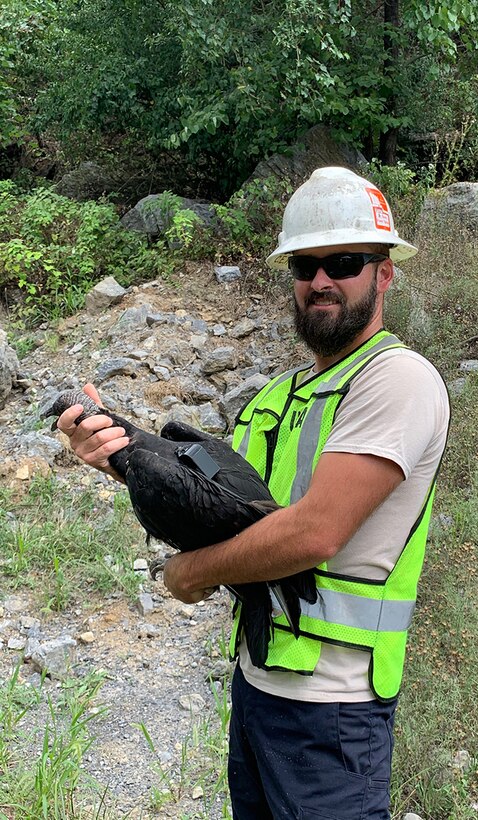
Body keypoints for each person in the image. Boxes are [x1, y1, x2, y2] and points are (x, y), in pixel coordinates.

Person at [58, 166, 450, 819]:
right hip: (260, 687)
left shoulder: (396, 380)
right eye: (305, 264)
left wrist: (188, 573)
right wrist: (123, 457)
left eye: (345, 261)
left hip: (335, 711)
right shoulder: (279, 394)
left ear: (383, 273)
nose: (320, 280)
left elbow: (312, 533)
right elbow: (228, 514)